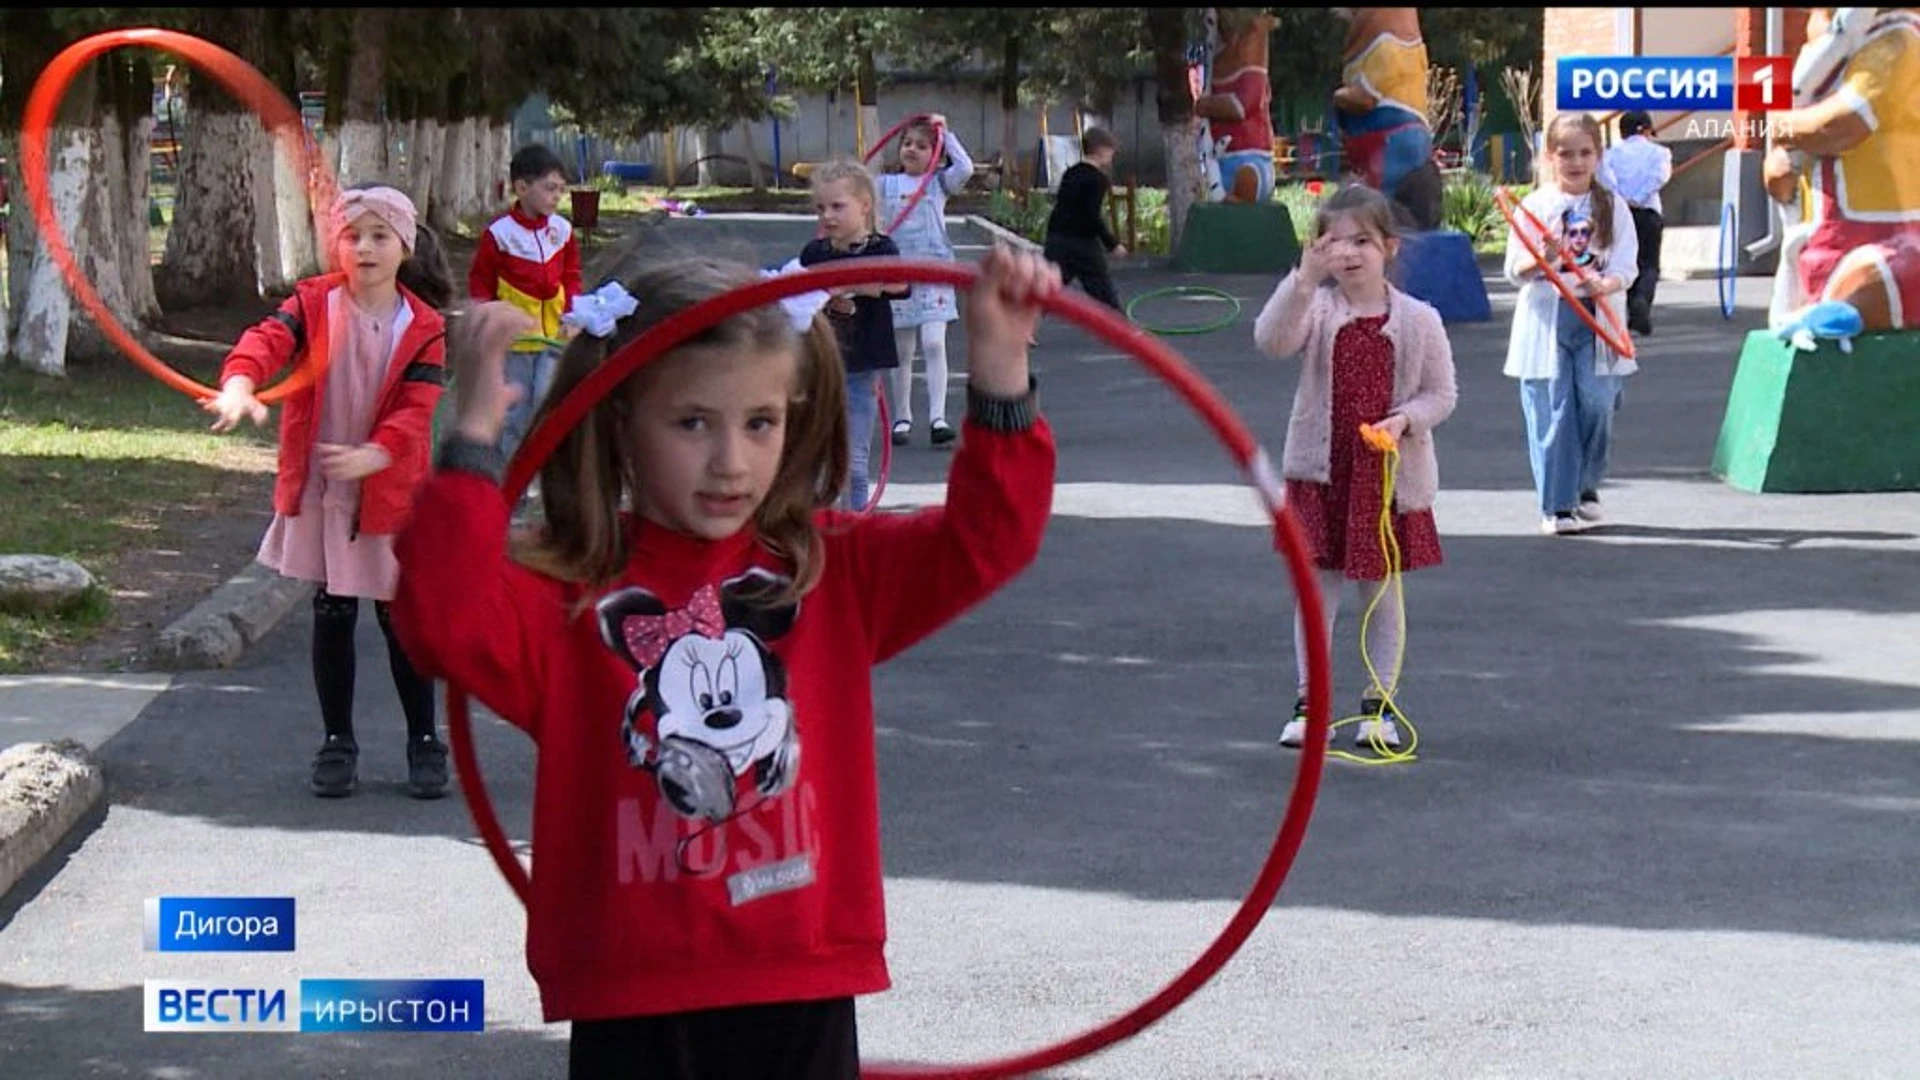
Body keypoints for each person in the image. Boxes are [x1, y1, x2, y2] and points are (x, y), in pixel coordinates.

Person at [385, 242, 1059, 1080]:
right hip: (633, 992)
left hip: (799, 973)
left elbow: (988, 539)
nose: (731, 461)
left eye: (759, 423)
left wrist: (998, 375)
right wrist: (476, 439)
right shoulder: (568, 596)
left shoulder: (830, 573)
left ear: (796, 414)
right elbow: (438, 619)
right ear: (621, 416)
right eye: (692, 422)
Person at [204, 184, 453, 799]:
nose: (363, 247)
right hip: (325, 488)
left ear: (405, 246)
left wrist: (379, 451)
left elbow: (419, 404)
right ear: (334, 245)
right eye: (351, 234)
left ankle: (425, 740)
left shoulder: (423, 327)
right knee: (333, 613)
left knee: (401, 619)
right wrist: (240, 382)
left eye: (378, 235)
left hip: (389, 494)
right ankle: (337, 741)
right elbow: (267, 341)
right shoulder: (314, 303)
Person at [1254, 184, 1457, 751]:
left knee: (1382, 593)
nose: (1347, 254)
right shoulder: (1315, 309)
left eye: (1361, 241)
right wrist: (1301, 281)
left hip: (1385, 478)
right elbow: (1270, 341)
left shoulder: (1419, 319)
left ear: (1389, 247)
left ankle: (1379, 706)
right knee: (1317, 591)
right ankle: (1309, 701)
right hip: (1323, 473)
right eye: (1332, 243)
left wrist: (1405, 421)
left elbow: (1442, 395)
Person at [1503, 111, 1639, 536]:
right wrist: (1541, 257)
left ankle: (1585, 484)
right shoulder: (1536, 206)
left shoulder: (1612, 207)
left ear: (1598, 156)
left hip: (1596, 317)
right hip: (1547, 317)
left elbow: (1626, 267)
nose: (1576, 162)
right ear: (1550, 157)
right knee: (1553, 408)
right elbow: (1515, 270)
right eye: (1566, 154)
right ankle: (1556, 505)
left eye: (1585, 153)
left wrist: (1606, 282)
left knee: (1597, 403)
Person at [799, 159, 910, 511]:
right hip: (819, 364)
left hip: (861, 362)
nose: (828, 215)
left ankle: (856, 523)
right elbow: (798, 297)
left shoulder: (881, 249)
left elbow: (899, 283)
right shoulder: (815, 253)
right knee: (816, 453)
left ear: (864, 205)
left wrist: (848, 286)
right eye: (821, 208)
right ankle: (820, 524)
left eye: (837, 206)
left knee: (854, 457)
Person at [468, 143, 584, 462]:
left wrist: (573, 312)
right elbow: (481, 281)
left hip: (554, 339)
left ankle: (537, 476)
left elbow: (572, 274)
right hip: (515, 344)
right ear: (521, 188)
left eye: (560, 190)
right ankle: (508, 490)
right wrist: (486, 317)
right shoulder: (500, 234)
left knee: (547, 408)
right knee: (514, 416)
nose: (556, 196)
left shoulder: (562, 230)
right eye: (549, 188)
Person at [878, 114, 975, 449]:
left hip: (934, 274)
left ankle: (938, 417)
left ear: (933, 153)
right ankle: (902, 417)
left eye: (921, 146)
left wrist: (945, 133)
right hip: (898, 276)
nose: (912, 150)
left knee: (934, 343)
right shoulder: (885, 185)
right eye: (907, 144)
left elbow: (965, 168)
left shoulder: (939, 183)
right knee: (902, 351)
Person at [1600, 109, 1672, 337]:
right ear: (1645, 129)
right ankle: (1641, 302)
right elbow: (1659, 177)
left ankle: (1629, 306)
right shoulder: (1660, 153)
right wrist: (1639, 197)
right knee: (1649, 263)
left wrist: (1621, 198)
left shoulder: (1611, 154)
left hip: (1620, 213)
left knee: (1623, 259)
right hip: (1648, 211)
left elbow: (1605, 179)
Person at [1043, 127, 1128, 311]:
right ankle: (1124, 332)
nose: (1112, 155)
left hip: (1057, 236)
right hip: (1082, 242)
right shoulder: (1097, 179)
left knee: (1048, 288)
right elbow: (1091, 215)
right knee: (1103, 290)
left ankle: (1025, 329)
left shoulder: (1070, 173)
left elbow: (1062, 205)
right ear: (1102, 149)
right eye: (1111, 150)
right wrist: (1112, 243)